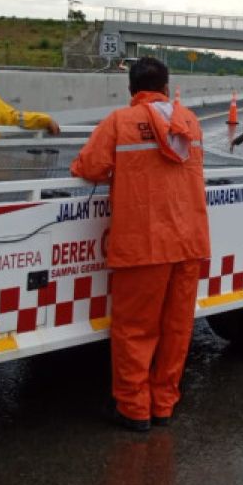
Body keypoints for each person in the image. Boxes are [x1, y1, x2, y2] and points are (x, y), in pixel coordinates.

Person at [70, 57, 210, 432]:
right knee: (176, 329)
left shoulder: (121, 121)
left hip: (144, 244)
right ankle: (163, 404)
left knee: (135, 329)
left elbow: (89, 167)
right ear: (166, 86)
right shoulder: (191, 123)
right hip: (189, 243)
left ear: (132, 90)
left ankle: (134, 409)